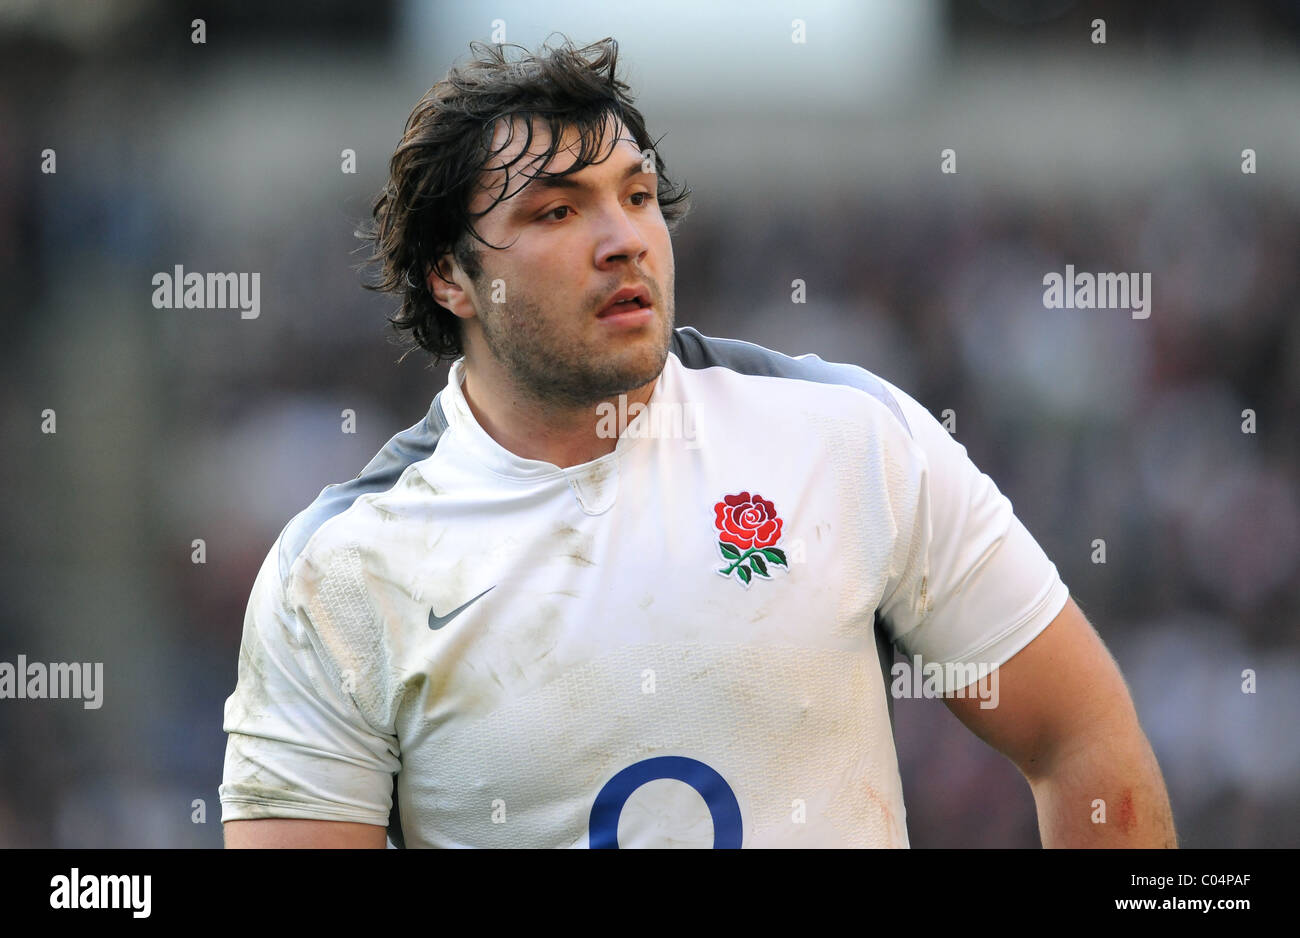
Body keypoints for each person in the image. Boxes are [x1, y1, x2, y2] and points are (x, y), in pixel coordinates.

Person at [220, 35, 1176, 848]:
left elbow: (1081, 741)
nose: (624, 238)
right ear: (450, 280)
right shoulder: (338, 574)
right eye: (556, 210)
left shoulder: (846, 439)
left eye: (636, 195)